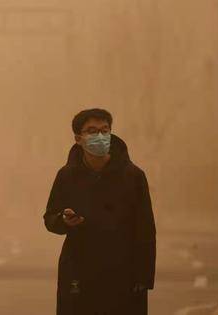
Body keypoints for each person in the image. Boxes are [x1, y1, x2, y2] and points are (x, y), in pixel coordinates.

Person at [44, 108, 156, 315]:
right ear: (78, 138)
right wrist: (64, 220)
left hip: (123, 271)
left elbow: (146, 229)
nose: (100, 137)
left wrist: (144, 277)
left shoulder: (133, 175)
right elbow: (50, 217)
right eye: (92, 131)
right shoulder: (67, 175)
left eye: (105, 130)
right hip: (79, 269)